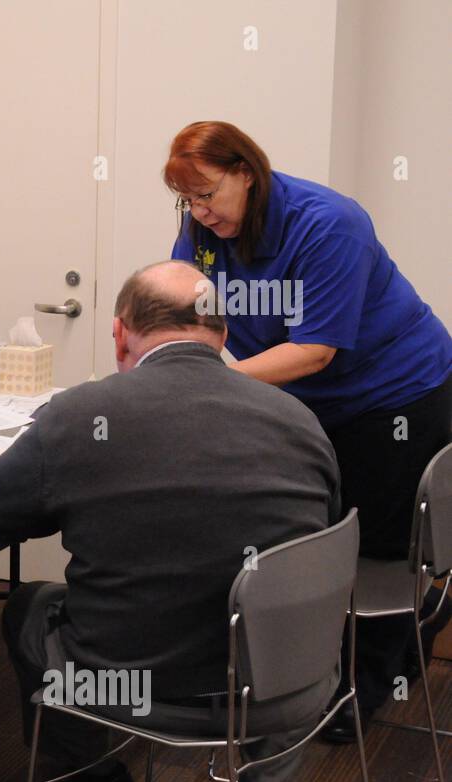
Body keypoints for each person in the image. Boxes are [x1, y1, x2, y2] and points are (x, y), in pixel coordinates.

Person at [0, 260, 341, 782]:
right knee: (297, 624)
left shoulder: (77, 416)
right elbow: (319, 544)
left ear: (120, 333)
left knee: (26, 607)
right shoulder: (300, 420)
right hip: (280, 684)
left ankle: (92, 769)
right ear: (222, 334)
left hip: (123, 687)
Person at [165, 121, 452, 740]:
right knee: (307, 534)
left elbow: (315, 349)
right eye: (187, 201)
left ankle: (367, 689)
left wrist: (220, 385)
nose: (198, 213)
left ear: (248, 171)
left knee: (373, 547)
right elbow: (192, 305)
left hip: (394, 397)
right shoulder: (204, 228)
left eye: (209, 194)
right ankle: (316, 665)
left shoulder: (329, 224)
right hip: (300, 399)